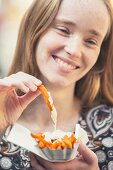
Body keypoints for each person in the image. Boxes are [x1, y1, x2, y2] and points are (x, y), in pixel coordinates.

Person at [0, 0, 113, 169]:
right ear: (34, 27)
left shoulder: (109, 128)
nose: (74, 50)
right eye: (63, 30)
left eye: (90, 41)